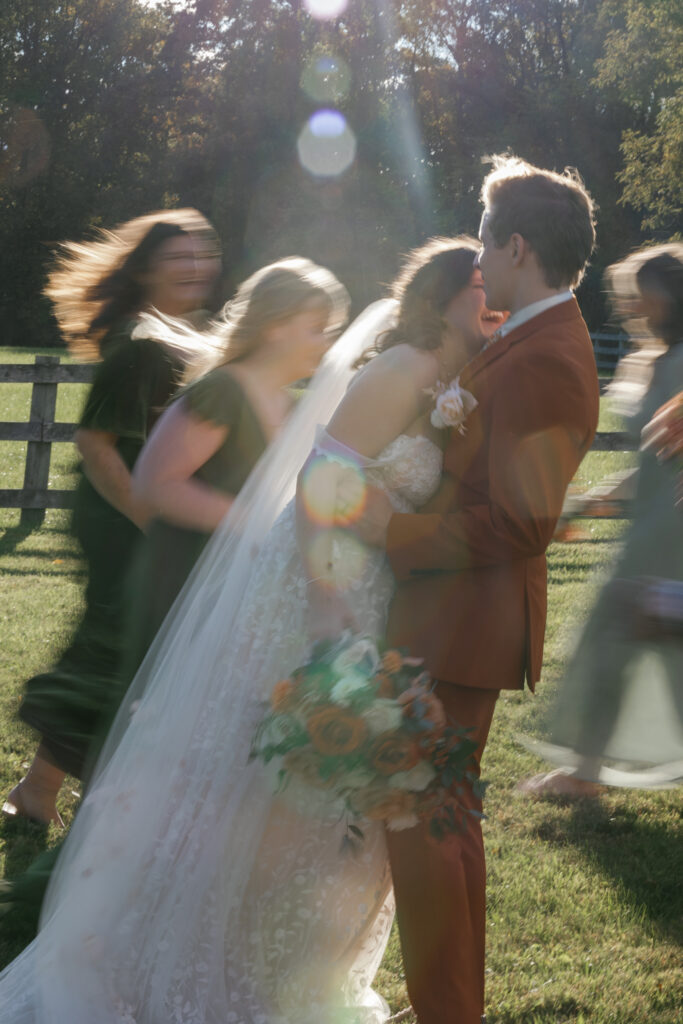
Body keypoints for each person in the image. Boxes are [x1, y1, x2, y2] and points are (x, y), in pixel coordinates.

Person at [0, 237, 501, 1019]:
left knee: (322, 799)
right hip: (319, 588)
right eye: (479, 287)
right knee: (262, 781)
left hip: (372, 592)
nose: (493, 298)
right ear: (442, 296)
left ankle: (284, 972)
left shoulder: (451, 378)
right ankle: (191, 963)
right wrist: (323, 598)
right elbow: (320, 478)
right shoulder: (401, 367)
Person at [345, 157, 600, 1024]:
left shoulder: (548, 357)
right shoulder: (528, 337)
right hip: (452, 618)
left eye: (485, 239)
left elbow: (519, 524)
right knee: (439, 824)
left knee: (423, 830)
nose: (477, 259)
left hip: (460, 625)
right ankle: (451, 1007)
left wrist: (393, 531)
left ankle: (449, 1011)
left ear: (517, 245)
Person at [3, 209, 222, 827]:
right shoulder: (141, 342)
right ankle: (52, 791)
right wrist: (149, 522)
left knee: (125, 647)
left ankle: (42, 790)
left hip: (152, 515)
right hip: (120, 513)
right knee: (119, 646)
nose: (195, 267)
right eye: (179, 257)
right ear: (148, 269)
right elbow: (97, 445)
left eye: (202, 255)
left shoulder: (183, 333)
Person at [122, 256, 350, 681]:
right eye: (317, 327)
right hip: (184, 586)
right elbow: (154, 484)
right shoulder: (223, 391)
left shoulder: (288, 404)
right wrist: (255, 523)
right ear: (275, 325)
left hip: (241, 594)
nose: (327, 342)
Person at [518, 244, 683, 797]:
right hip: (647, 542)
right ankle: (585, 772)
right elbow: (650, 467)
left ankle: (585, 772)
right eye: (631, 298)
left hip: (674, 544)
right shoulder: (653, 363)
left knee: (647, 645)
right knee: (613, 646)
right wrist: (589, 504)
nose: (634, 308)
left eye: (644, 296)